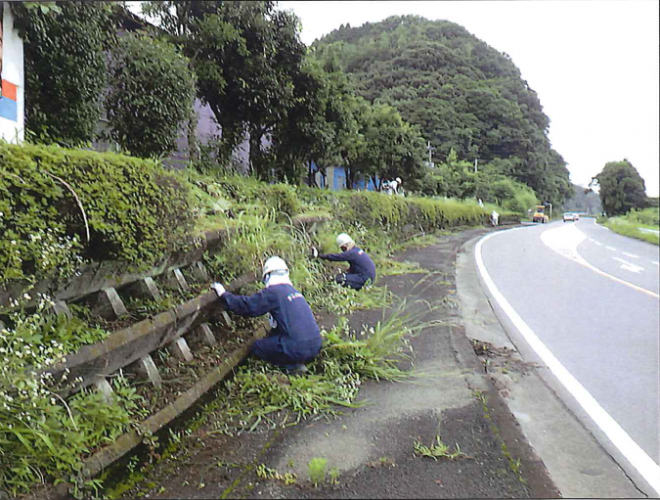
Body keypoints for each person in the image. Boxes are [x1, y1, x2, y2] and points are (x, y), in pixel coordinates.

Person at [211, 256, 322, 375]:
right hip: (316, 345)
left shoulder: (274, 292)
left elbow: (247, 306)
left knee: (258, 346)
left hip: (298, 348)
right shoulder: (293, 291)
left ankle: (293, 366)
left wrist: (224, 294)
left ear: (268, 276)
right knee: (275, 337)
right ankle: (298, 360)